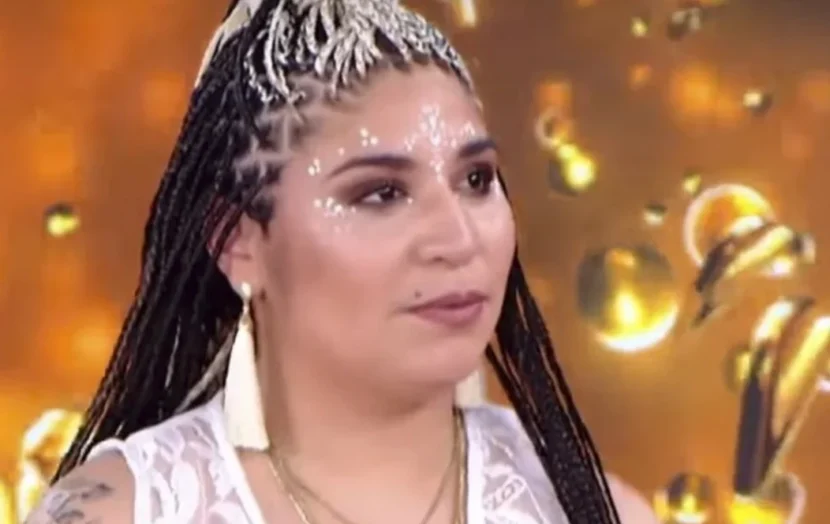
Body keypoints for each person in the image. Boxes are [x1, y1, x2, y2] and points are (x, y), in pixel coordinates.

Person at [26, 0, 659, 522]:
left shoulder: (596, 511)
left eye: (476, 179)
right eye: (381, 192)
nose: (459, 238)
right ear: (237, 241)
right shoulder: (124, 511)